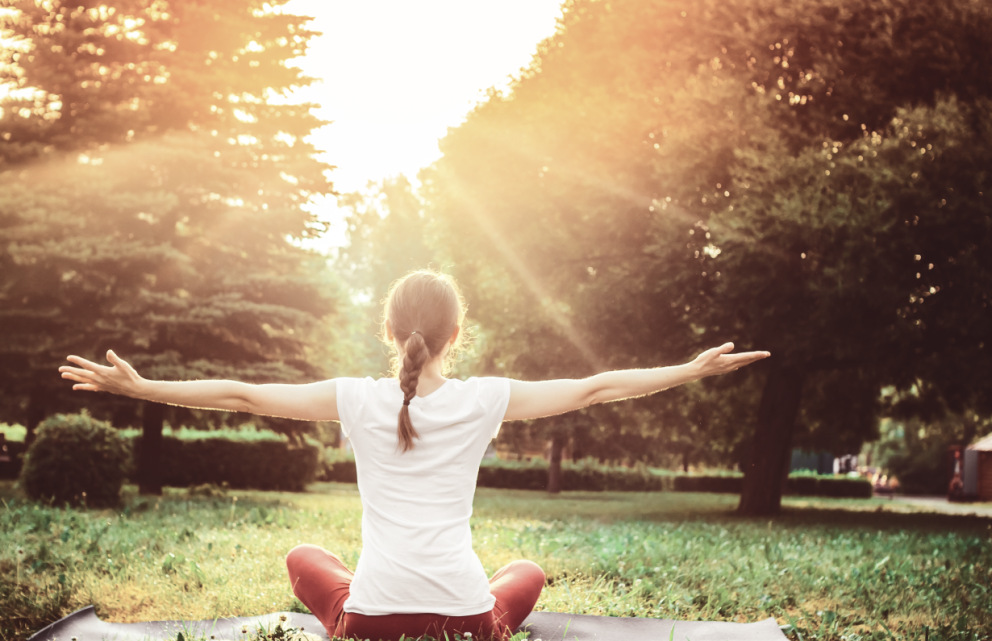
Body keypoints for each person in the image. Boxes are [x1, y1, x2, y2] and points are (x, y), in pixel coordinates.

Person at [59, 269, 770, 641]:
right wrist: (689, 368)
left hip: (367, 623)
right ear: (457, 333)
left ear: (389, 329)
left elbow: (245, 395)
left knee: (305, 557)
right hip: (467, 623)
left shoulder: (355, 396)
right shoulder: (484, 397)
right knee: (526, 570)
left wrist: (144, 385)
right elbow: (592, 389)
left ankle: (357, 608)